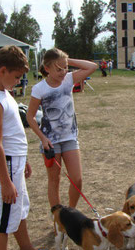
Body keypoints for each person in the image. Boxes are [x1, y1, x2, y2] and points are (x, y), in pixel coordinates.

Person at [0, 45, 55, 250]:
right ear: (2, 71)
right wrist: (5, 182)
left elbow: (13, 135)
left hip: (15, 163)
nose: (18, 81)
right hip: (6, 166)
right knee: (2, 219)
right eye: (17, 76)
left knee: (19, 209)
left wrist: (23, 161)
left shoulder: (4, 92)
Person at [26, 48, 97, 209]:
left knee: (77, 179)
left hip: (70, 138)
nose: (63, 71)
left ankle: (70, 213)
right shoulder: (39, 89)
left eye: (65, 67)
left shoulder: (69, 79)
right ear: (47, 68)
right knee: (54, 180)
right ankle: (58, 219)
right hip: (50, 142)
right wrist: (43, 139)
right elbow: (30, 117)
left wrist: (66, 60)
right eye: (58, 69)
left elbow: (92, 67)